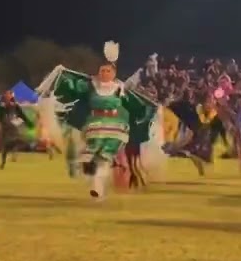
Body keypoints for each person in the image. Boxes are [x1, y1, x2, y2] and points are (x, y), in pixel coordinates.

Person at [37, 41, 159, 200]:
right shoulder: (90, 85)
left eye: (108, 70)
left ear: (114, 73)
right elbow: (73, 88)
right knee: (92, 153)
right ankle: (90, 169)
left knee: (105, 157)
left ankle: (97, 187)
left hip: (115, 127)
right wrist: (63, 78)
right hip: (95, 124)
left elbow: (134, 103)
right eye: (102, 70)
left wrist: (144, 111)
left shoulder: (120, 88)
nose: (104, 73)